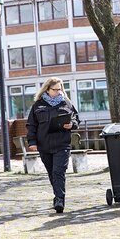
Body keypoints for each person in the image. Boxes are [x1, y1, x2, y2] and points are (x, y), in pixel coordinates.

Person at [26, 77, 80, 213]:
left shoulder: (66, 103)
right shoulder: (38, 105)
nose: (57, 92)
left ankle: (60, 199)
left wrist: (72, 124)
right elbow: (32, 125)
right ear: (47, 89)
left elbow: (76, 118)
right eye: (54, 89)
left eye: (59, 89)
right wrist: (32, 142)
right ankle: (57, 196)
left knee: (58, 172)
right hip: (44, 145)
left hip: (62, 144)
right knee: (52, 173)